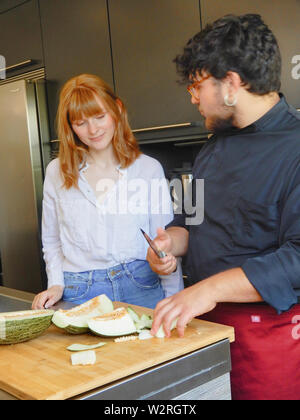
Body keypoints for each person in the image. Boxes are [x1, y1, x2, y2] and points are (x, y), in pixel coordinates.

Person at [147, 14, 300, 400]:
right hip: (202, 326)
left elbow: (297, 258)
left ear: (231, 84)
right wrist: (168, 245)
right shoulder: (213, 146)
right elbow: (190, 223)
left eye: (198, 85)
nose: (193, 97)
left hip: (268, 339)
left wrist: (206, 291)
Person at [32, 74, 183, 310]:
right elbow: (51, 240)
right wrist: (55, 284)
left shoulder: (148, 169)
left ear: (117, 109)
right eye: (81, 123)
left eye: (100, 117)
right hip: (80, 289)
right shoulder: (56, 172)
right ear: (70, 126)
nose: (93, 130)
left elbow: (161, 243)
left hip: (141, 283)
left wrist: (175, 300)